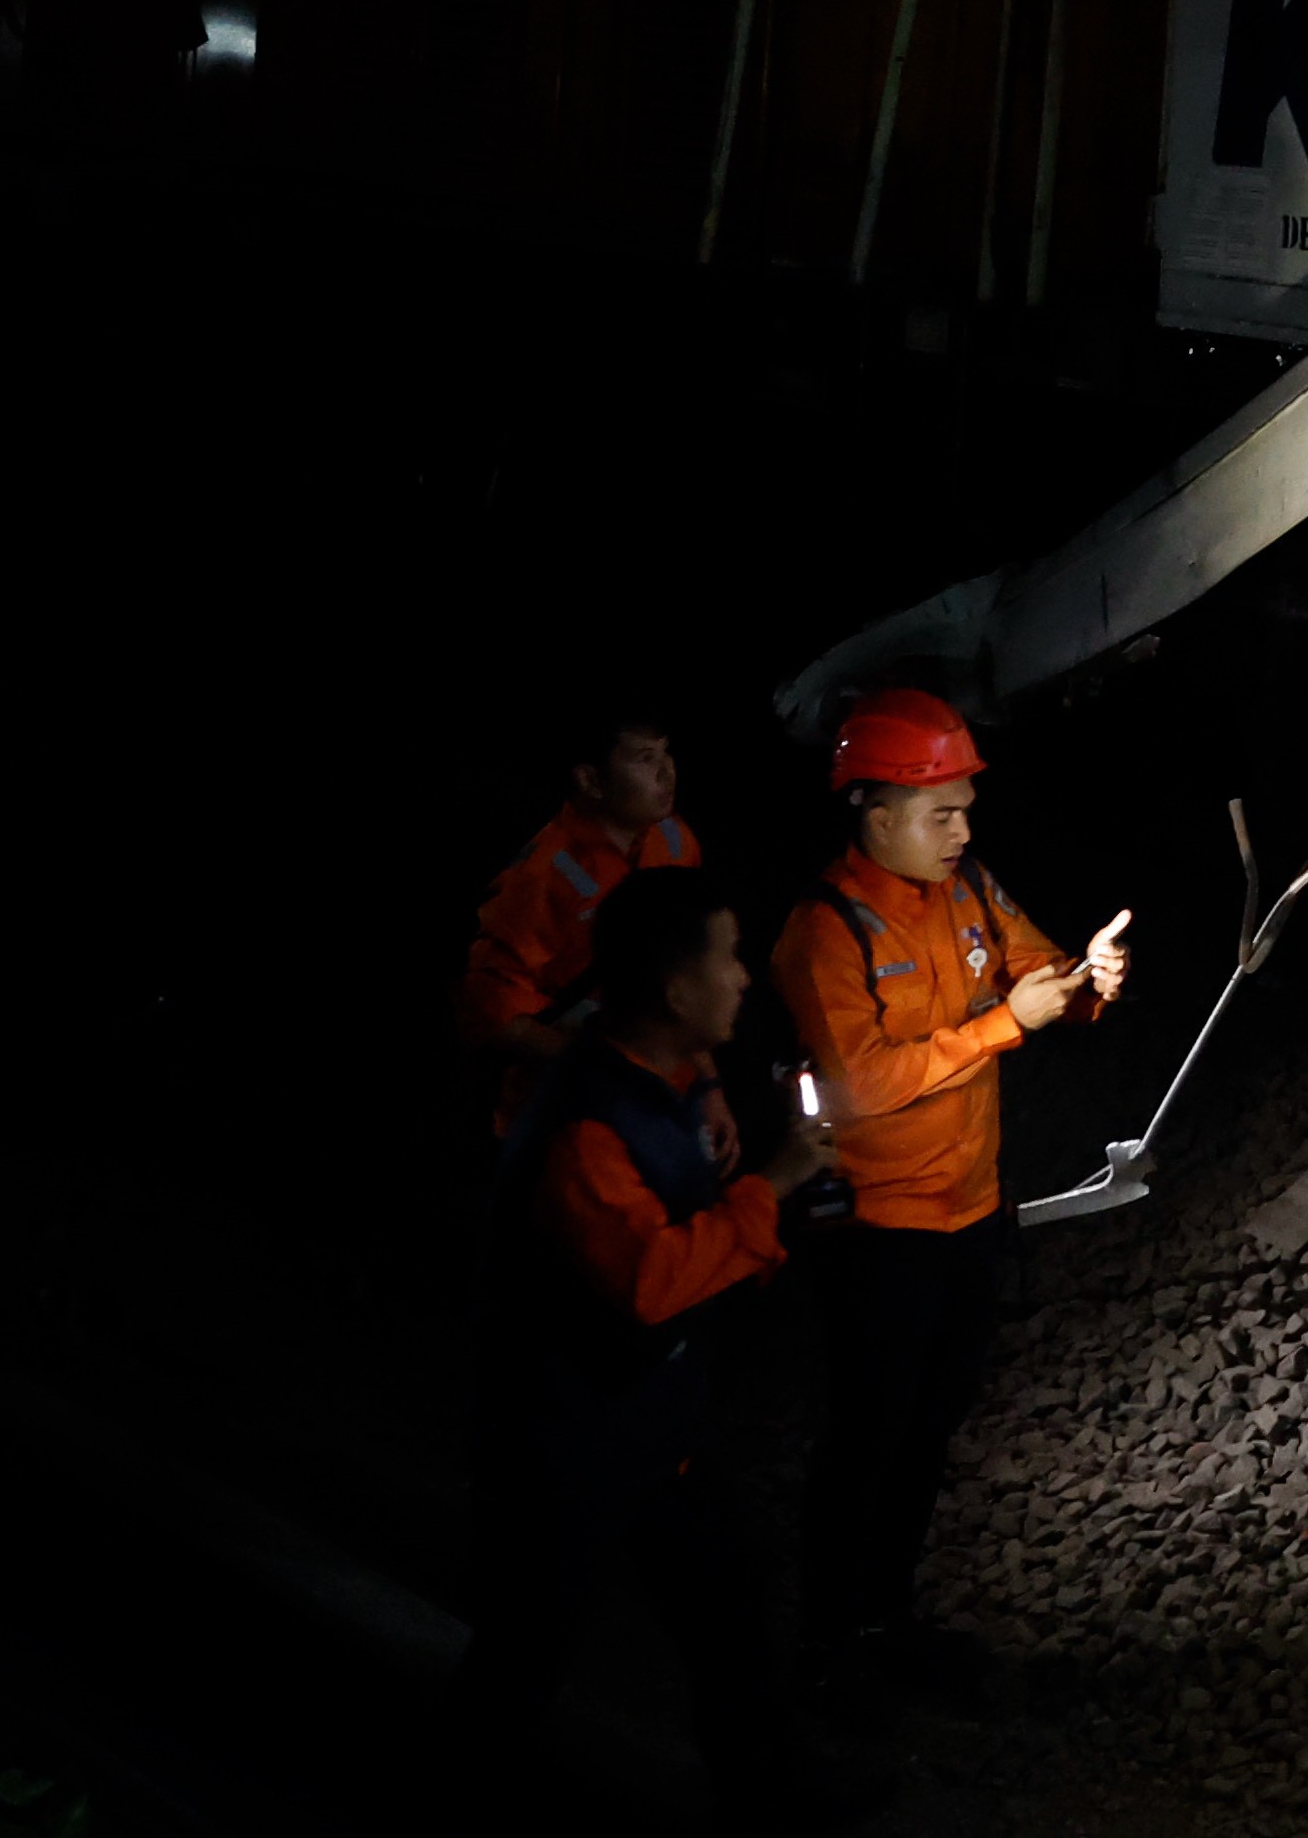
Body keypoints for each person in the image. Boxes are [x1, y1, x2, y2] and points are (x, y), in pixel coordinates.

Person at [456, 866, 856, 1819]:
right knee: (524, 1648)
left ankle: (773, 1790)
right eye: (728, 958)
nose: (745, 978)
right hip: (564, 1445)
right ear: (677, 989)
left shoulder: (655, 1083)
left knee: (726, 1596)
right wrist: (776, 1184)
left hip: (639, 1430)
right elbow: (652, 1281)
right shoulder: (586, 1129)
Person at [775, 688, 1130, 1700]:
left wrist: (1088, 978)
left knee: (929, 1427)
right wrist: (1004, 1025)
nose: (964, 828)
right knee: (867, 1435)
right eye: (943, 812)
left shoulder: (968, 888)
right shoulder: (827, 931)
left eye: (965, 807)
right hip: (880, 1235)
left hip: (970, 1214)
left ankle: (886, 1619)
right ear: (876, 816)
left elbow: (1035, 972)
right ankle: (827, 1644)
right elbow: (860, 1084)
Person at [458, 715, 705, 1125]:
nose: (667, 771)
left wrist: (708, 1088)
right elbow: (492, 1013)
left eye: (666, 752)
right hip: (565, 1117)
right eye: (645, 759)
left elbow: (689, 976)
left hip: (661, 1103)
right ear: (590, 780)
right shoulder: (540, 877)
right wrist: (607, 1067)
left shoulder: (675, 842)